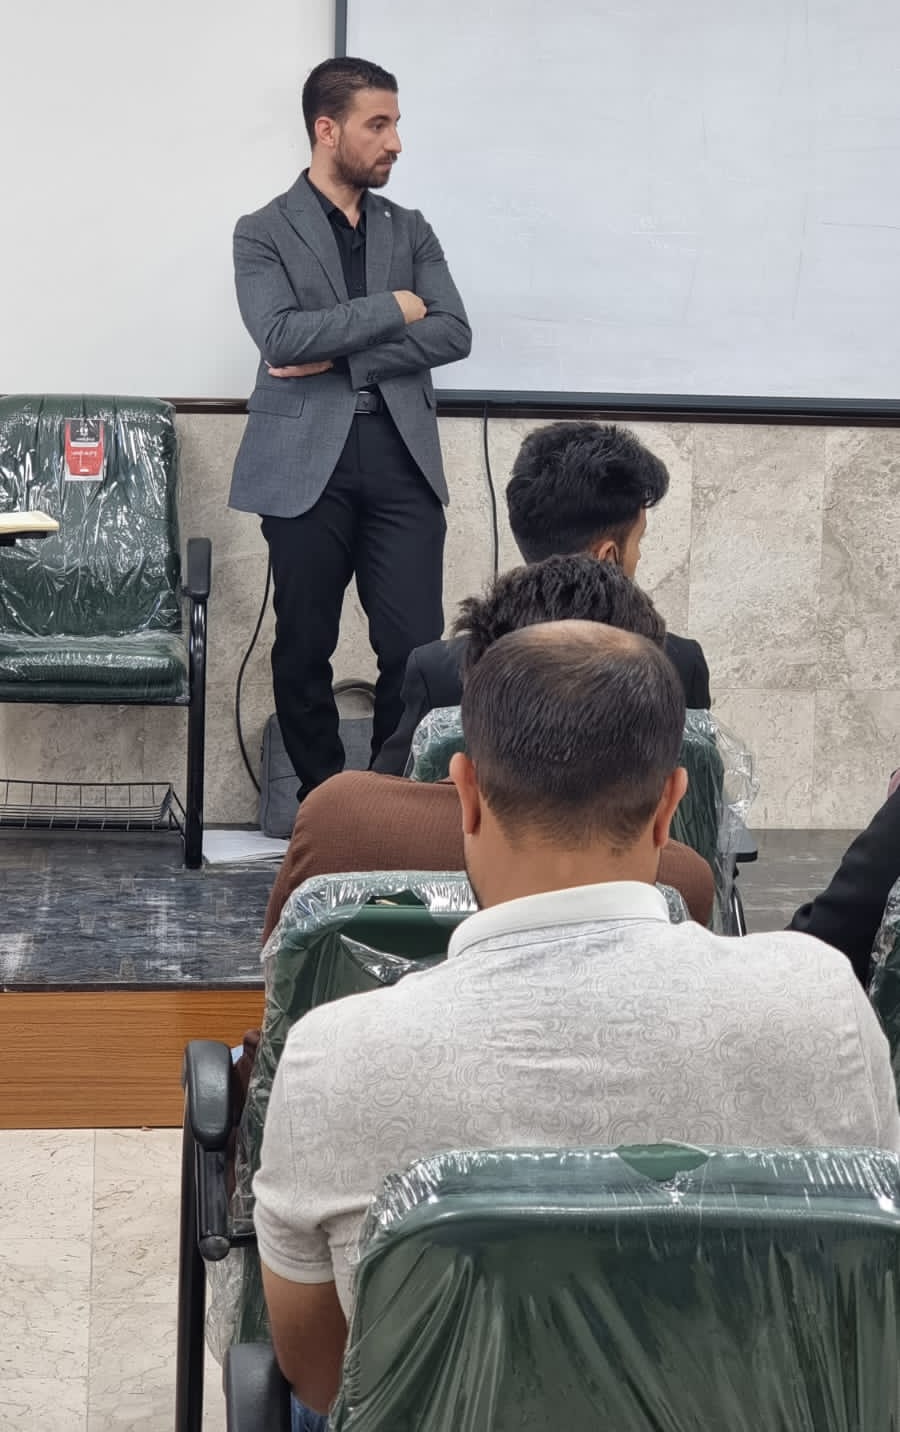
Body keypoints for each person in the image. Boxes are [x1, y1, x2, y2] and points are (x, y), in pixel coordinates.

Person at [254, 622, 899, 1424]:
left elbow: (325, 1381)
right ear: (671, 805)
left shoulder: (334, 1055)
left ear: (464, 792)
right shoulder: (823, 1004)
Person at [229, 56, 471, 799]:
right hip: (306, 464)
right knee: (305, 645)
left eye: (395, 123)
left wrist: (341, 356)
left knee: (416, 649)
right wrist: (395, 307)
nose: (395, 141)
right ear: (327, 130)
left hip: (402, 457)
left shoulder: (411, 229)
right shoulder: (262, 232)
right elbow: (281, 337)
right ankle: (325, 801)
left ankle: (389, 800)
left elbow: (453, 331)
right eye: (379, 124)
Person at [260, 555, 716, 943]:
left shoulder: (337, 820)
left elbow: (281, 999)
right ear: (668, 802)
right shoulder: (684, 882)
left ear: (468, 790)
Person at [374, 420, 709, 775]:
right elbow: (702, 802)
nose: (638, 556)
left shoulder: (439, 672)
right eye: (639, 541)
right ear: (608, 557)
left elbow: (393, 792)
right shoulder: (678, 666)